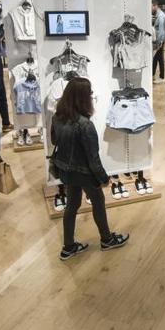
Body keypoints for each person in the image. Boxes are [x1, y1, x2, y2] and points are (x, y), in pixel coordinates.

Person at [51, 77, 129, 260]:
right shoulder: (85, 124)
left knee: (71, 206)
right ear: (82, 97)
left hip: (65, 170)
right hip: (84, 173)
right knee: (98, 202)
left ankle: (68, 247)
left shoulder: (57, 117)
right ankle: (107, 239)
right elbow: (93, 158)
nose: (92, 95)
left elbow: (55, 141)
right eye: (90, 93)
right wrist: (103, 178)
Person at [151, 0, 165, 84]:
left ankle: (162, 77)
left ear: (155, 6)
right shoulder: (158, 15)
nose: (150, 8)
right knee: (156, 58)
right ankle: (154, 75)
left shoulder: (161, 16)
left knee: (159, 58)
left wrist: (159, 43)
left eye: (151, 6)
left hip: (159, 41)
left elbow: (161, 31)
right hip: (158, 41)